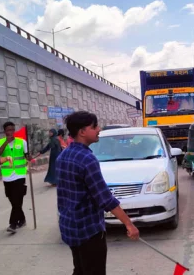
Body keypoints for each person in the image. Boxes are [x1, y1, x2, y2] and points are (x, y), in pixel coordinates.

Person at [56, 111, 139, 275]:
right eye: (94, 126)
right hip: (89, 231)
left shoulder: (63, 156)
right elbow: (105, 199)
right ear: (82, 132)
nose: (99, 129)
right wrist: (129, 224)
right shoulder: (87, 159)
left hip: (70, 226)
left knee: (80, 269)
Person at [0, 122, 31, 233]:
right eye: (8, 130)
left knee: (17, 199)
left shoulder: (22, 142)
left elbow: (26, 156)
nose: (10, 132)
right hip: (7, 176)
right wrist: (6, 142)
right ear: (5, 131)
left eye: (12, 129)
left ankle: (13, 224)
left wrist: (29, 157)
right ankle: (22, 219)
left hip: (20, 174)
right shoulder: (0, 142)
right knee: (14, 201)